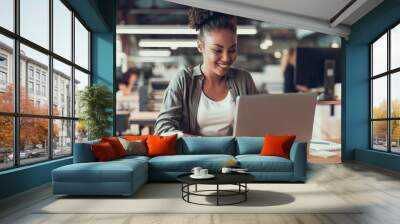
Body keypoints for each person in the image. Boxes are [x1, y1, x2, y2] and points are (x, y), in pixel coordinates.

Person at [154, 8, 258, 137]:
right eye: (217, 50)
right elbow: (162, 129)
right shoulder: (184, 80)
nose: (226, 58)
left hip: (232, 156)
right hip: (194, 155)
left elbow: (257, 125)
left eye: (232, 50)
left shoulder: (243, 79)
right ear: (200, 46)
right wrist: (201, 143)